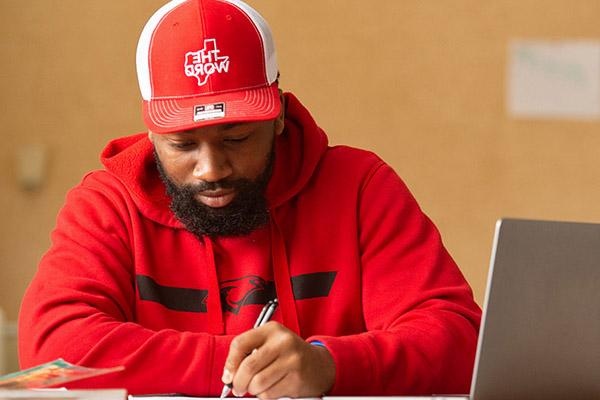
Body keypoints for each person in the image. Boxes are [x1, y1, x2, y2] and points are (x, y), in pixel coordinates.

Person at [18, 0, 481, 397]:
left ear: (277, 114)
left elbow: (460, 339)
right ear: (152, 133)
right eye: (183, 145)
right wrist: (243, 367)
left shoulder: (360, 186)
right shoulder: (108, 204)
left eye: (237, 138)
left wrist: (327, 364)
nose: (212, 169)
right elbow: (53, 350)